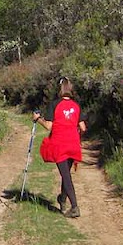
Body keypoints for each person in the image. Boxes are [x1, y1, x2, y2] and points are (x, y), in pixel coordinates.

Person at [32, 77, 86, 218]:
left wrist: (38, 119)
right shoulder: (76, 105)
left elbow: (49, 126)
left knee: (65, 175)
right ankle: (62, 199)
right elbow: (83, 127)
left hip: (59, 143)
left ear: (60, 89)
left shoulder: (54, 104)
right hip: (73, 143)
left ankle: (74, 207)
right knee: (65, 174)